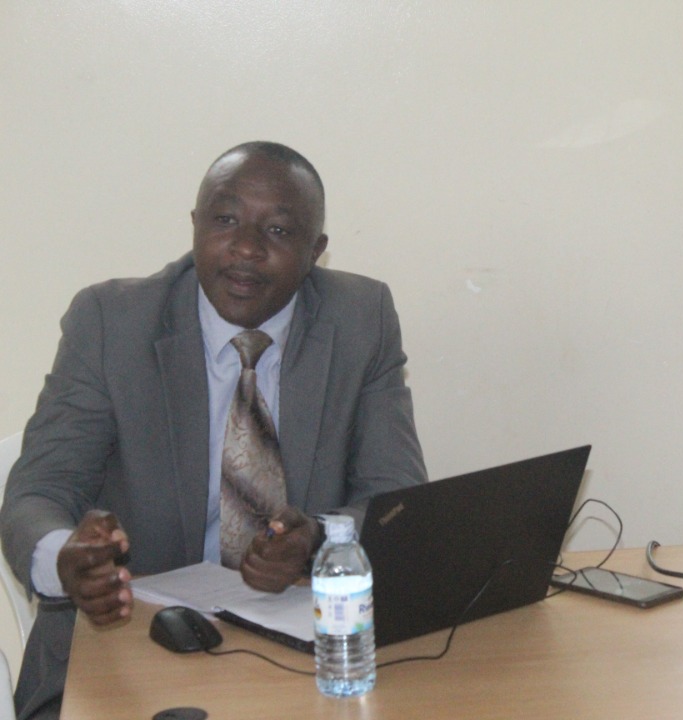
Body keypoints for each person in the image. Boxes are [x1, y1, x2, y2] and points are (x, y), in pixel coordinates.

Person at [0, 141, 427, 719]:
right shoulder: (110, 322)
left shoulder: (361, 318)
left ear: (316, 252)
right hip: (125, 649)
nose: (246, 249)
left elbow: (395, 495)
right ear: (195, 225)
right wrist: (66, 562)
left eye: (277, 231)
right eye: (224, 220)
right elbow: (38, 491)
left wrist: (320, 541)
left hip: (301, 654)